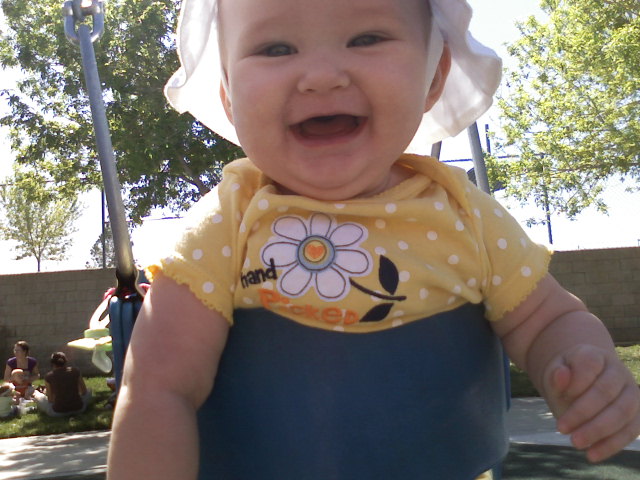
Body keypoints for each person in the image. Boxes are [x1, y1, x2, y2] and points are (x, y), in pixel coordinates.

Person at [108, 0, 640, 478]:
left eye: (366, 38)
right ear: (228, 95)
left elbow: (546, 318)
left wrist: (579, 363)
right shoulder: (228, 222)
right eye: (275, 48)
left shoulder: (464, 214)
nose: (321, 76)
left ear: (434, 75)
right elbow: (159, 386)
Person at [33, 352, 92, 417]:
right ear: (65, 362)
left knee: (37, 395)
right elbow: (84, 392)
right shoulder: (75, 371)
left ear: (52, 363)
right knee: (89, 390)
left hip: (57, 412)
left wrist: (45, 393)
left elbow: (50, 400)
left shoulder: (49, 376)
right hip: (79, 409)